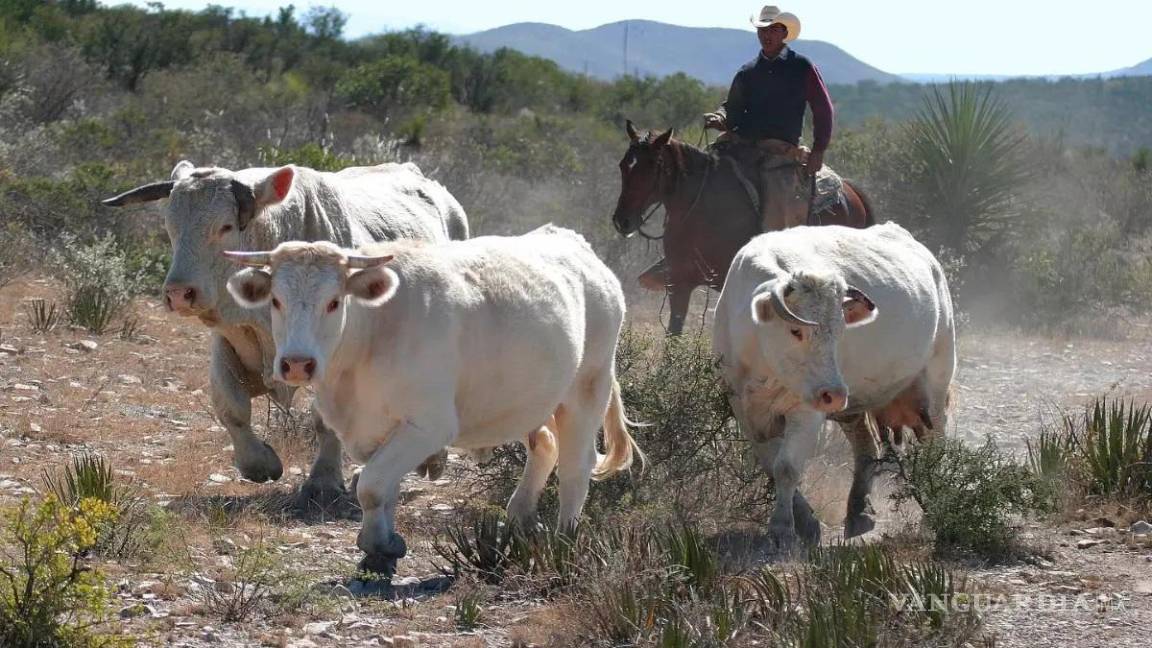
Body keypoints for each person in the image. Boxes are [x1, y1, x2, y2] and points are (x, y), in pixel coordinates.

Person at [704, 6, 835, 231]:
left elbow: (823, 109)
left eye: (773, 29)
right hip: (742, 143)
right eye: (763, 30)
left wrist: (818, 150)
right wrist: (721, 117)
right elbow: (733, 108)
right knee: (703, 174)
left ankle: (780, 249)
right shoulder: (747, 71)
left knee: (780, 199)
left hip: (780, 149)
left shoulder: (802, 67)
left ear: (784, 33)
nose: (767, 35)